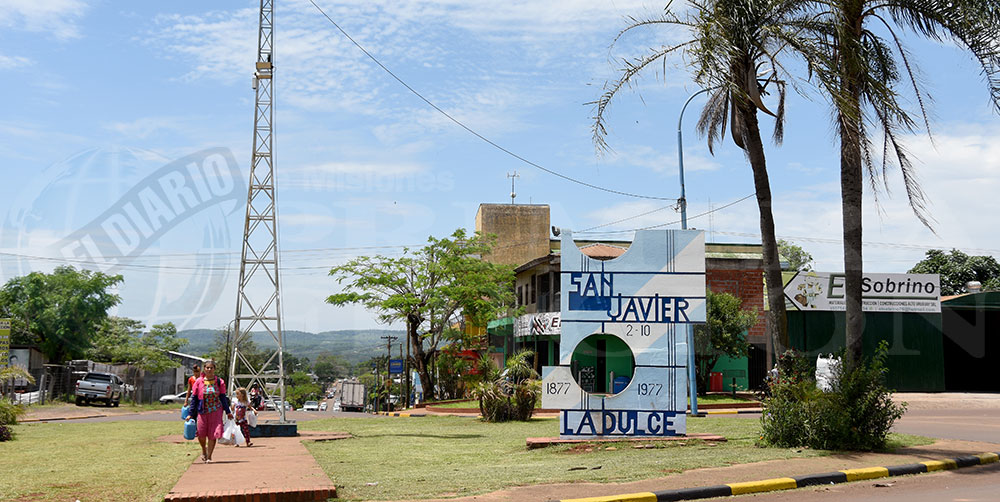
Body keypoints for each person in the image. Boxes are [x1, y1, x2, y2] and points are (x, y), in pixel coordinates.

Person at [186, 360, 232, 463]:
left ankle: (209, 456)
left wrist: (228, 412)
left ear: (214, 369)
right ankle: (204, 450)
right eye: (207, 368)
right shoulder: (199, 382)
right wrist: (190, 414)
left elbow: (223, 398)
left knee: (213, 434)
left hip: (216, 411)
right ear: (204, 369)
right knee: (201, 433)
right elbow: (194, 399)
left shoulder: (220, 382)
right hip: (202, 411)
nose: (209, 369)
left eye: (211, 368)